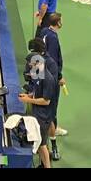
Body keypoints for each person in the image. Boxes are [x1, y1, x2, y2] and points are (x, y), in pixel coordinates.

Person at [18, 37, 57, 169]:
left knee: (42, 144)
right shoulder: (37, 73)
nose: (29, 65)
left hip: (44, 116)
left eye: (31, 63)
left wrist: (28, 100)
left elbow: (46, 101)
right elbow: (37, 91)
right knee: (39, 142)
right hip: (36, 112)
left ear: (38, 62)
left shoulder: (48, 79)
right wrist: (29, 95)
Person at [37, 12, 68, 159]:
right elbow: (54, 61)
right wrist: (59, 77)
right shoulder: (53, 38)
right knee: (51, 109)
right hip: (51, 78)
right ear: (58, 23)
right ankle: (52, 144)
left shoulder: (44, 31)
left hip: (43, 75)